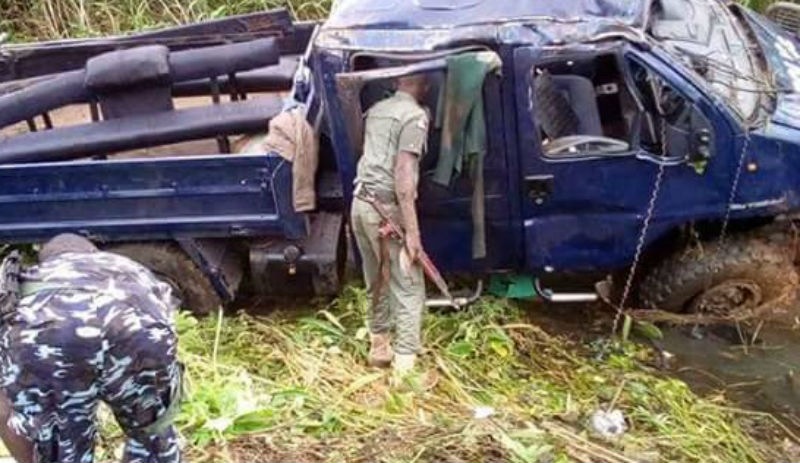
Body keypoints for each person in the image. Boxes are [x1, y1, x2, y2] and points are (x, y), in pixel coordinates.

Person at [0, 234, 182, 463]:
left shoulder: (25, 282)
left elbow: (5, 401)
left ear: (45, 260)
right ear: (94, 254)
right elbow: (166, 314)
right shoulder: (133, 269)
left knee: (62, 441)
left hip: (53, 339)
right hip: (140, 333)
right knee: (153, 431)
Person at [351, 74, 431, 376]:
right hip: (385, 210)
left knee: (377, 278)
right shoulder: (414, 116)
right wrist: (413, 232)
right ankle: (405, 369)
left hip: (361, 204)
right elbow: (404, 177)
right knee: (409, 285)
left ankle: (379, 347)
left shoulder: (376, 110)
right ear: (422, 85)